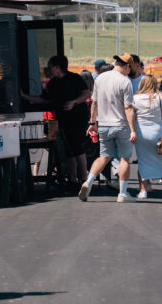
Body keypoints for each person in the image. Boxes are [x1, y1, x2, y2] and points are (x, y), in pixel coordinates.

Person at [23, 55, 91, 191]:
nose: (48, 70)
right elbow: (44, 100)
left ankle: (84, 180)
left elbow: (87, 93)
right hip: (63, 119)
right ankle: (72, 179)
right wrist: (26, 97)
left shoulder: (75, 78)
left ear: (57, 67)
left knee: (77, 148)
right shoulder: (52, 84)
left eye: (50, 67)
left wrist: (74, 102)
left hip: (78, 118)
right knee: (69, 150)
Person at [79, 53, 138, 203]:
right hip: (121, 125)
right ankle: (123, 193)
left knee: (104, 156)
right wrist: (133, 129)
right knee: (125, 158)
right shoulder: (125, 82)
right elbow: (128, 107)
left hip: (104, 125)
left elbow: (94, 103)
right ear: (126, 66)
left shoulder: (100, 78)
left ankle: (88, 182)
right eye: (129, 69)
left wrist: (92, 123)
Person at [132, 75, 162, 199]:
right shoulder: (160, 96)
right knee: (161, 159)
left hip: (141, 131)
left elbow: (133, 114)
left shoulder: (136, 97)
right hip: (156, 131)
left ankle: (143, 190)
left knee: (142, 160)